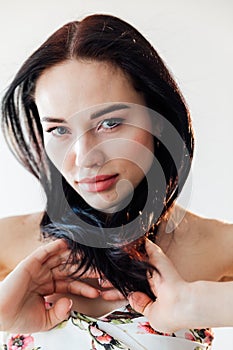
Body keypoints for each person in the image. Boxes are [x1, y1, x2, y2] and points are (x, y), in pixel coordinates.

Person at [0, 13, 232, 350]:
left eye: (109, 123)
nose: (85, 157)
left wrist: (195, 304)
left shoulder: (219, 246)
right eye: (59, 129)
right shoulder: (7, 243)